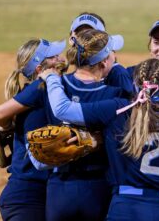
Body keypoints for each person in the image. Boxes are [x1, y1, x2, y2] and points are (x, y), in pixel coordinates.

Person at [40, 58, 159, 221]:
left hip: (123, 207)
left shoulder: (117, 108)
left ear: (135, 83)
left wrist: (52, 78)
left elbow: (63, 110)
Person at [37, 28, 125, 221]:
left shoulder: (53, 86)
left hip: (59, 190)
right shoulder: (115, 95)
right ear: (104, 61)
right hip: (98, 189)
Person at [0, 38, 66, 221]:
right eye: (54, 57)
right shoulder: (37, 91)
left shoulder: (43, 93)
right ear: (40, 70)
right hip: (27, 198)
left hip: (34, 195)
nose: (61, 59)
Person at [70, 12, 133, 96]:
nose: (85, 39)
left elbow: (126, 106)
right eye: (80, 34)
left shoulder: (117, 74)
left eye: (91, 34)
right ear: (71, 39)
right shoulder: (68, 78)